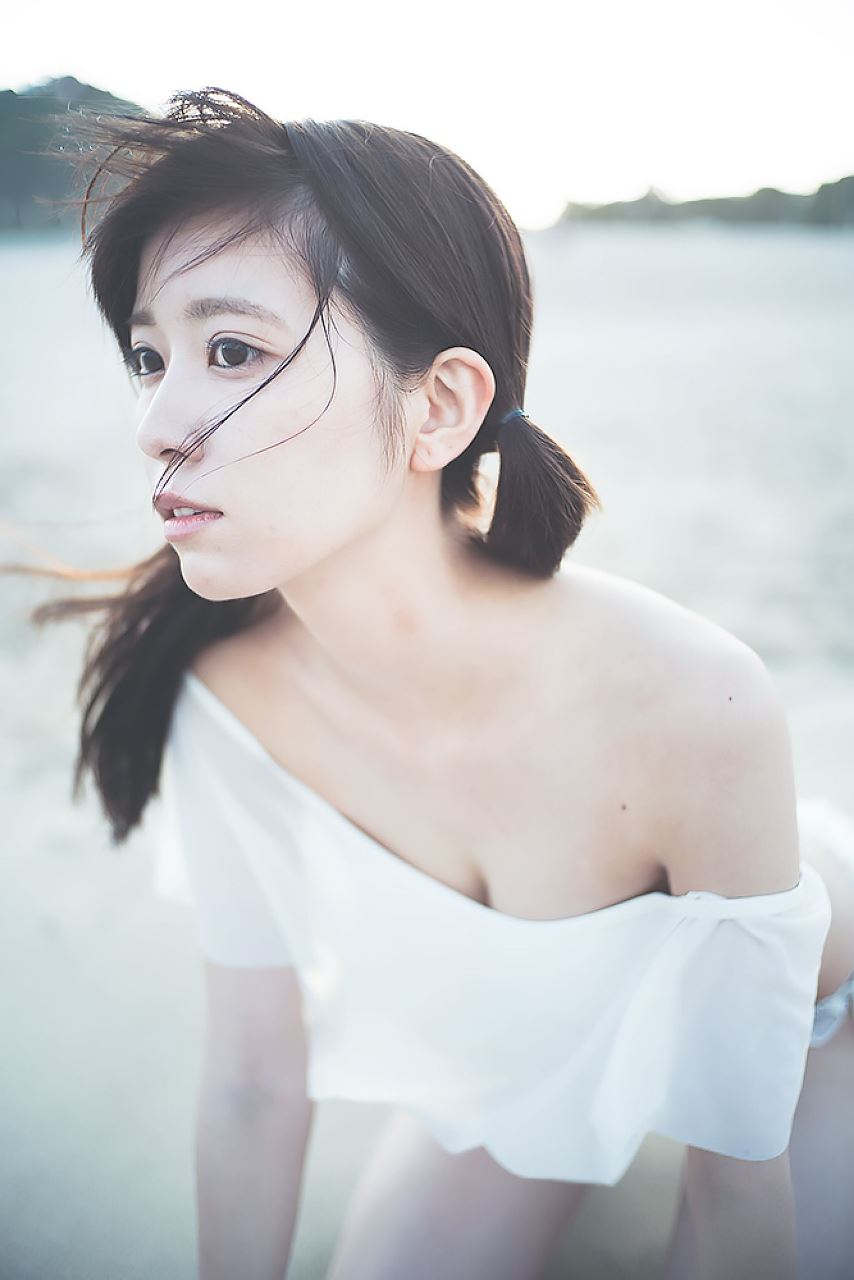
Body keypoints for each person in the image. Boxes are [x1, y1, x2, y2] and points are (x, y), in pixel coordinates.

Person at [20, 86, 854, 1280]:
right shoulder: (232, 705)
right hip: (523, 1065)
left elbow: (733, 1191)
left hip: (812, 1031)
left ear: (439, 406)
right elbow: (254, 1078)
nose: (157, 418)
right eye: (150, 356)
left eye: (232, 349)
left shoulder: (692, 702)